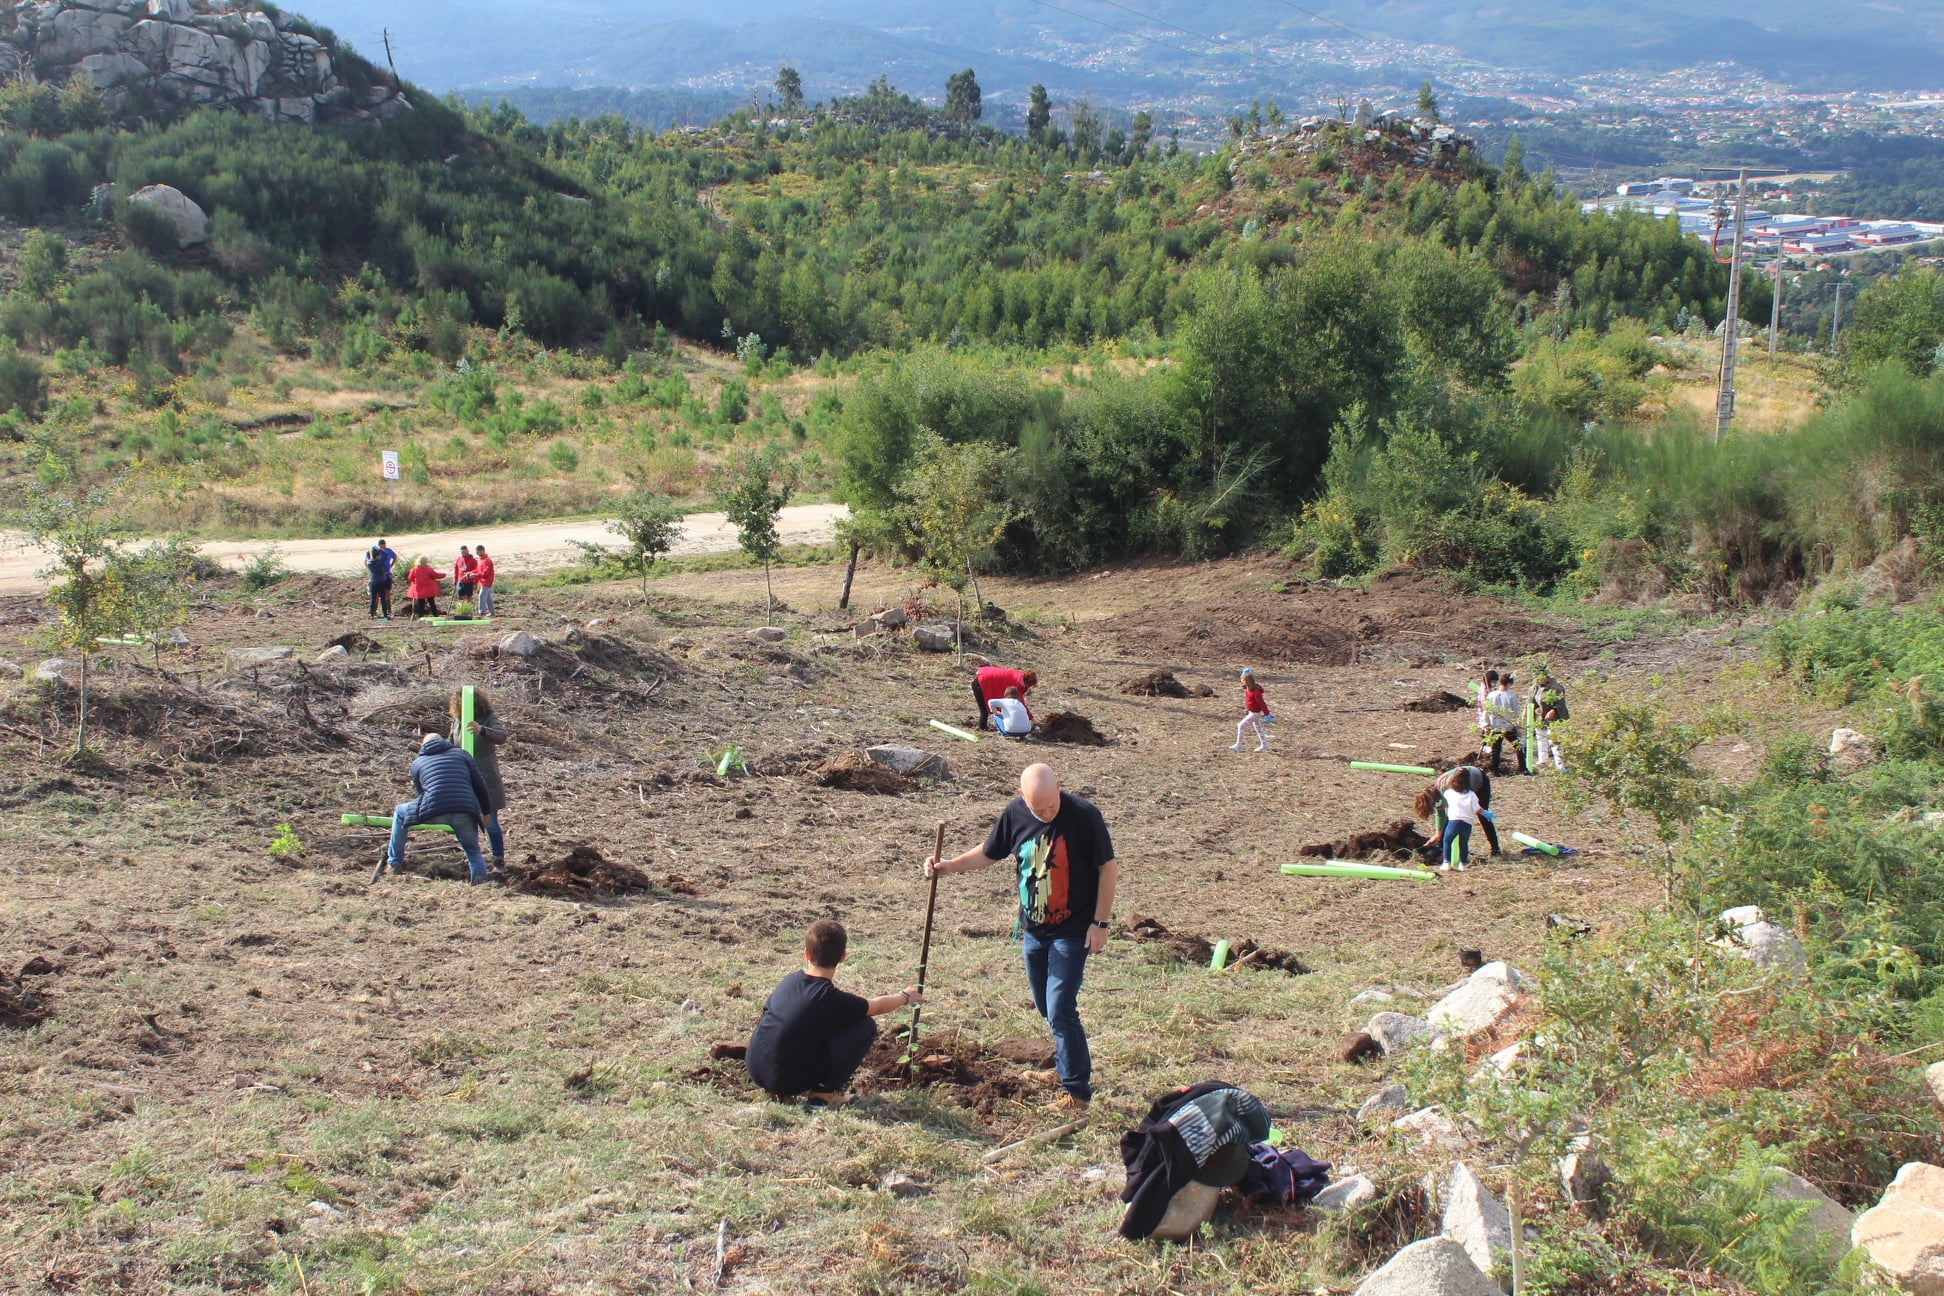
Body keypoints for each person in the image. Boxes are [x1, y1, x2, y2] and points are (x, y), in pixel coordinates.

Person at [926, 763, 1118, 1112]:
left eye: (1050, 807)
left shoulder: (1085, 816)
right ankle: (1064, 1068)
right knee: (1046, 1006)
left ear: (1059, 786)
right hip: (1033, 929)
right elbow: (990, 851)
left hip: (1073, 931)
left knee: (1060, 1008)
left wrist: (1100, 923)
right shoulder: (1015, 814)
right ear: (1022, 799)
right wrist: (949, 866)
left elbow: (1108, 867)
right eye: (1037, 809)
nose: (1045, 814)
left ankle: (1076, 1093)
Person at [745, 919, 923, 1107]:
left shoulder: (790, 981)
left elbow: (767, 1012)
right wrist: (905, 996)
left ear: (806, 953)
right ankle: (823, 1094)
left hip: (755, 1067)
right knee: (866, 1026)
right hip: (787, 1080)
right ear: (843, 956)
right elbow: (876, 1007)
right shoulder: (832, 999)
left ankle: (776, 1084)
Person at [374, 723, 494, 885]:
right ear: (444, 742)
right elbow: (480, 785)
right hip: (465, 811)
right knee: (472, 850)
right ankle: (480, 881)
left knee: (400, 812)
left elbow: (420, 794)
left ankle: (394, 863)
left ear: (423, 746)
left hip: (434, 809)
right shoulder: (462, 755)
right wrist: (485, 811)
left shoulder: (418, 763)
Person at [450, 687, 509, 871]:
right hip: (464, 779)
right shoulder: (457, 721)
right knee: (467, 821)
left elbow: (501, 737)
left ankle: (498, 860)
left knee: (490, 823)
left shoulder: (489, 716)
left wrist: (482, 730)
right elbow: (452, 742)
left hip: (486, 779)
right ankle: (474, 860)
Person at [1439, 771, 1482, 872]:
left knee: (1447, 840)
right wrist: (1486, 813)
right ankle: (1462, 865)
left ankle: (1446, 863)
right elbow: (1477, 809)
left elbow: (1442, 800)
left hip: (1453, 822)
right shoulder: (1472, 795)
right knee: (1463, 844)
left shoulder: (1448, 793)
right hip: (1467, 823)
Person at [972, 665, 1036, 731]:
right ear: (1028, 683)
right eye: (1030, 686)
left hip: (982, 674)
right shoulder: (1017, 684)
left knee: (985, 708)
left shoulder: (1018, 675)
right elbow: (1021, 705)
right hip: (981, 681)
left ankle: (983, 727)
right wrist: (1034, 720)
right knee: (984, 709)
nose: (1028, 688)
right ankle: (982, 728)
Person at [1486, 672, 1525, 775]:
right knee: (1519, 746)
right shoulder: (1511, 697)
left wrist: (1487, 724)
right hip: (1508, 727)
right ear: (1508, 684)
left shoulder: (1491, 695)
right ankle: (1523, 768)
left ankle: (1495, 771)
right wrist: (1518, 728)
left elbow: (1486, 711)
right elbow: (1515, 713)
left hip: (1495, 727)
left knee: (1496, 750)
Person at [1531, 673, 1569, 773]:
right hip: (1540, 718)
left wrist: (1554, 710)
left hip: (1553, 719)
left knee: (1554, 742)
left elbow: (1560, 704)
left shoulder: (1556, 688)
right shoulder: (1535, 688)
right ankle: (1542, 761)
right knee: (1541, 739)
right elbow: (1532, 702)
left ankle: (1560, 766)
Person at [1231, 667, 1270, 753]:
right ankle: (1264, 745)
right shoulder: (1249, 689)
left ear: (1247, 681)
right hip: (1252, 712)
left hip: (1254, 713)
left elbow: (1262, 703)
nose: (1241, 681)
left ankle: (1239, 745)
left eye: (1242, 680)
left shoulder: (1255, 692)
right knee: (1258, 729)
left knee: (1240, 726)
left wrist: (1267, 714)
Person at [364, 538, 396, 620]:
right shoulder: (379, 562)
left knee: (375, 597)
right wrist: (379, 550)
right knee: (381, 597)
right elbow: (384, 556)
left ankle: (372, 615)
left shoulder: (370, 562)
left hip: (374, 580)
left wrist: (372, 550)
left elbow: (394, 557)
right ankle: (384, 614)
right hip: (381, 580)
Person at [1475, 669, 1499, 753]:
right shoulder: (1484, 689)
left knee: (1491, 729)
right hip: (1485, 712)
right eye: (1493, 682)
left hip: (1493, 712)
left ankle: (1488, 745)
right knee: (1486, 728)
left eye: (1495, 682)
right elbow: (1484, 702)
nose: (1494, 684)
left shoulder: (1493, 687)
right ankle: (1485, 746)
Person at [473, 544, 496, 618]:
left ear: (482, 550)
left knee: (482, 595)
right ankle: (492, 612)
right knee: (488, 598)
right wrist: (471, 572)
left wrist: (475, 575)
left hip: (487, 581)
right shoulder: (481, 560)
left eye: (478, 552)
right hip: (483, 581)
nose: (477, 553)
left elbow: (485, 573)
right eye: (476, 552)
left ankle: (482, 612)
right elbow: (478, 570)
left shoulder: (487, 561)